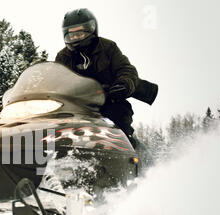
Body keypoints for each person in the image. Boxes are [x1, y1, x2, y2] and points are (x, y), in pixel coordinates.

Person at [55, 8, 157, 149]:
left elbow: (126, 69)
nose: (75, 38)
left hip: (110, 100)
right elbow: (56, 78)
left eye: (79, 33)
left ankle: (135, 155)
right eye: (71, 35)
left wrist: (124, 84)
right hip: (77, 106)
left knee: (119, 125)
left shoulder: (107, 48)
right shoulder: (63, 56)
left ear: (91, 29)